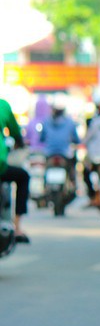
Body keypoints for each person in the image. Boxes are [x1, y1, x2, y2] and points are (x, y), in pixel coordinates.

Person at [0, 97, 30, 243]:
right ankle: (17, 227)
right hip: (1, 166)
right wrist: (20, 142)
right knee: (23, 176)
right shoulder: (2, 105)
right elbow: (15, 132)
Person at [40, 99, 80, 187]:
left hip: (49, 153)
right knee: (72, 169)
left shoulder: (46, 121)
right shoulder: (70, 122)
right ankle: (73, 184)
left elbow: (41, 138)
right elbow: (76, 139)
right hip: (65, 154)